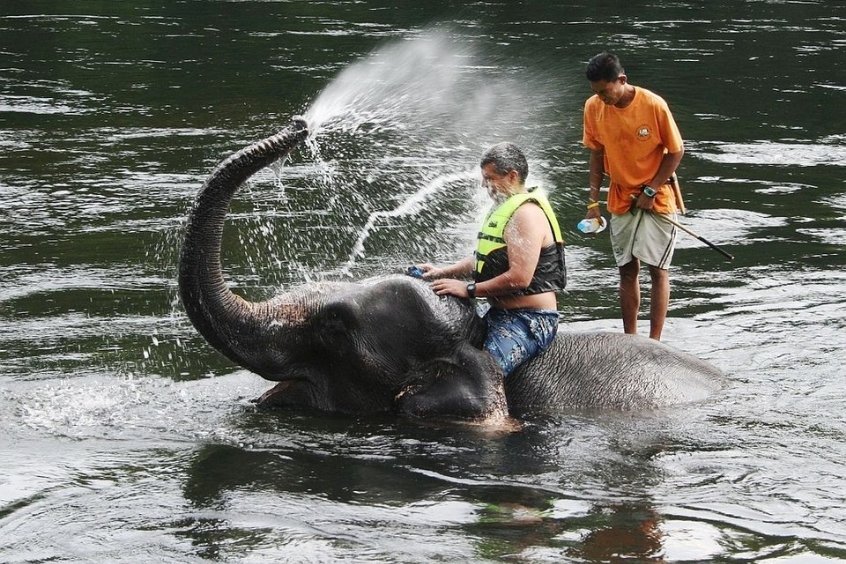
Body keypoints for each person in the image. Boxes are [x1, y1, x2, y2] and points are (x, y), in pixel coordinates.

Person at [417, 142, 566, 376]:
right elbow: (483, 260)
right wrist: (441, 272)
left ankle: (499, 415)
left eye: (490, 178)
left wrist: (469, 289)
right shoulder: (504, 208)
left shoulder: (526, 215)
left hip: (529, 320)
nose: (483, 184)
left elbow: (519, 278)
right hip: (499, 314)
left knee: (484, 374)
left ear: (512, 176)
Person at [582, 51, 684, 341]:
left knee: (657, 269)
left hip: (657, 196)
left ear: (621, 80)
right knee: (626, 270)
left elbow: (676, 151)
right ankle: (631, 339)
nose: (602, 98)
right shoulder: (593, 107)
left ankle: (655, 342)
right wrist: (593, 202)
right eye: (596, 92)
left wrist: (651, 190)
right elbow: (596, 154)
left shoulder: (653, 105)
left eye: (605, 91)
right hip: (621, 197)